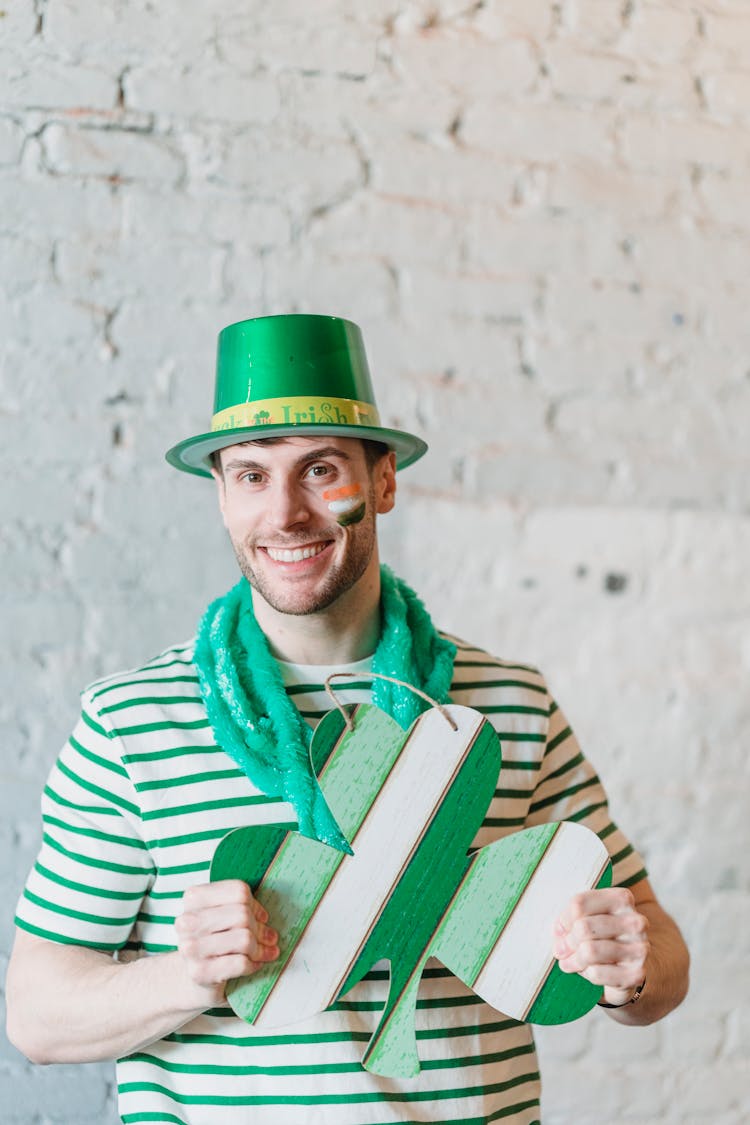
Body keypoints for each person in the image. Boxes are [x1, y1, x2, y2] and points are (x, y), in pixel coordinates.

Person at [6, 314, 689, 1125]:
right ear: (222, 495)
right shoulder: (132, 722)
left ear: (385, 481)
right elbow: (39, 1017)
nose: (286, 513)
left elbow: (659, 956)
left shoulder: (509, 701)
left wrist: (628, 968)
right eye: (252, 476)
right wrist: (192, 972)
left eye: (320, 469)